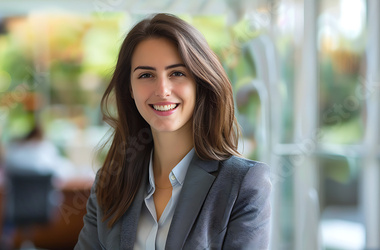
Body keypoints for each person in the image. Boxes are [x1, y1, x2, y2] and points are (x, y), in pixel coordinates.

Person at [75, 13, 271, 250]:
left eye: (177, 73)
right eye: (146, 75)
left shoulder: (243, 185)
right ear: (130, 88)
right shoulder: (109, 185)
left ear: (200, 81)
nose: (163, 89)